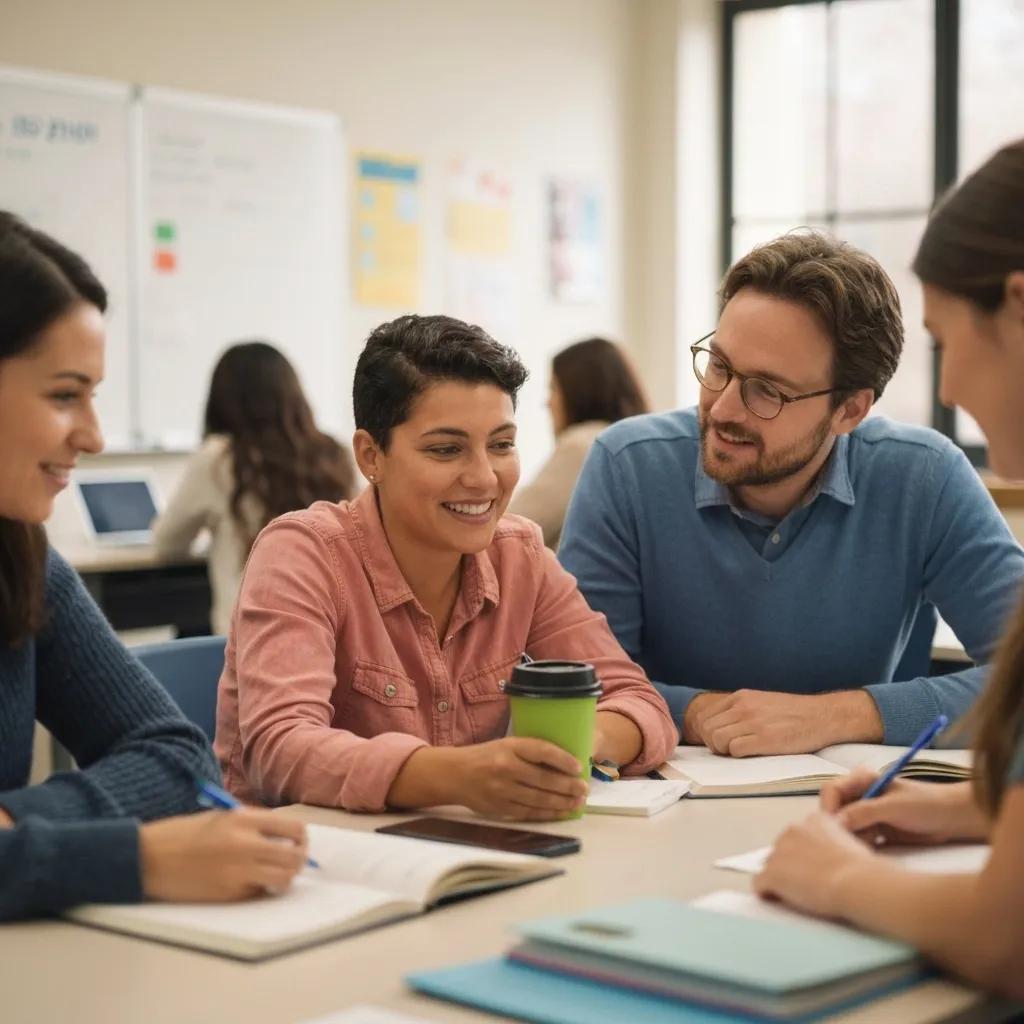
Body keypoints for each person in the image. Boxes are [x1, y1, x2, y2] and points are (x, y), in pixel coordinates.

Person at [559, 230, 1024, 753]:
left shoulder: (924, 477)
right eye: (719, 366)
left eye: (768, 391)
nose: (724, 408)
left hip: (856, 808)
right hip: (665, 804)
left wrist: (835, 716)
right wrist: (699, 712)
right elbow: (578, 683)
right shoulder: (627, 466)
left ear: (849, 410)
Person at [214, 314, 676, 819]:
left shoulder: (519, 555)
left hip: (470, 849)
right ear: (372, 456)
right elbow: (280, 748)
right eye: (446, 449)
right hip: (307, 864)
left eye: (501, 445)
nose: (483, 478)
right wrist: (459, 776)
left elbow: (639, 701)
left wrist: (577, 741)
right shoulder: (302, 554)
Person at [755, 140, 1024, 998]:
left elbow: (1004, 939)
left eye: (945, 344)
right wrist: (967, 808)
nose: (956, 392)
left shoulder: (922, 472)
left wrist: (833, 875)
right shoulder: (629, 462)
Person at [0, 211, 307, 920]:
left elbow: (175, 758)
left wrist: (15, 828)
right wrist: (131, 857)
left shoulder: (24, 560)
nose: (95, 436)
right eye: (64, 394)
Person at [152, 341, 355, 634]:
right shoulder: (335, 454)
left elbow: (167, 544)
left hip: (249, 645)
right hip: (334, 635)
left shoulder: (218, 459)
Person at [508, 337, 649, 548]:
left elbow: (511, 527)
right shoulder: (639, 441)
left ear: (579, 390)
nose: (547, 402)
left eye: (553, 389)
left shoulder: (584, 446)